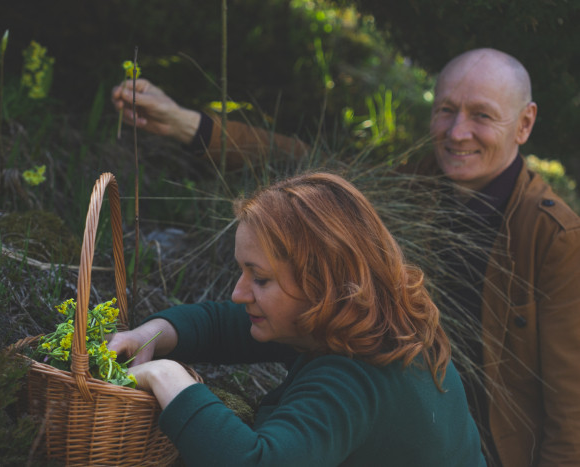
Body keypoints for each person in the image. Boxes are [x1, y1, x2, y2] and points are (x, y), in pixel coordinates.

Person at [112, 48, 580, 466]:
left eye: (481, 115)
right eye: (446, 111)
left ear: (525, 123)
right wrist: (161, 331)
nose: (458, 132)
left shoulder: (557, 237)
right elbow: (307, 166)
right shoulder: (380, 300)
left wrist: (170, 379)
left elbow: (572, 404)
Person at [108, 172, 486, 466]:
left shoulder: (354, 378)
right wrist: (153, 332)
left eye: (260, 278)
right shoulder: (372, 323)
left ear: (321, 285)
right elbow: (227, 323)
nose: (240, 293)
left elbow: (253, 462)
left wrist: (166, 376)